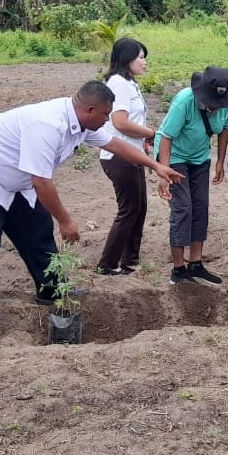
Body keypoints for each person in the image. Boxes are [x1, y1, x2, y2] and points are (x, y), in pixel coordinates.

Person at [0, 81, 183, 348]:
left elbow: (116, 145)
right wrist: (65, 220)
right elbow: (41, 182)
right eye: (106, 114)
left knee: (38, 233)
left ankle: (50, 290)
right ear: (89, 109)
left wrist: (156, 166)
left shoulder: (83, 122)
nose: (108, 119)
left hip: (17, 177)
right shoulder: (47, 125)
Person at [158, 66, 228, 286]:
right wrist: (163, 173)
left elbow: (225, 130)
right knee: (183, 208)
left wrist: (220, 162)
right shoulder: (184, 101)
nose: (216, 107)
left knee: (200, 206)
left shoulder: (227, 104)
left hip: (200, 157)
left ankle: (196, 264)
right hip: (174, 156)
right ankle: (178, 269)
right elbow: (166, 137)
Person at [94, 38, 158, 276]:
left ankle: (129, 260)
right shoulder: (118, 84)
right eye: (141, 57)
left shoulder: (129, 83)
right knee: (129, 209)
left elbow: (132, 121)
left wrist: (144, 139)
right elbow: (120, 123)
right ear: (127, 59)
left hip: (133, 152)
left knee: (139, 207)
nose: (144, 63)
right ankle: (108, 264)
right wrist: (153, 133)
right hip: (120, 155)